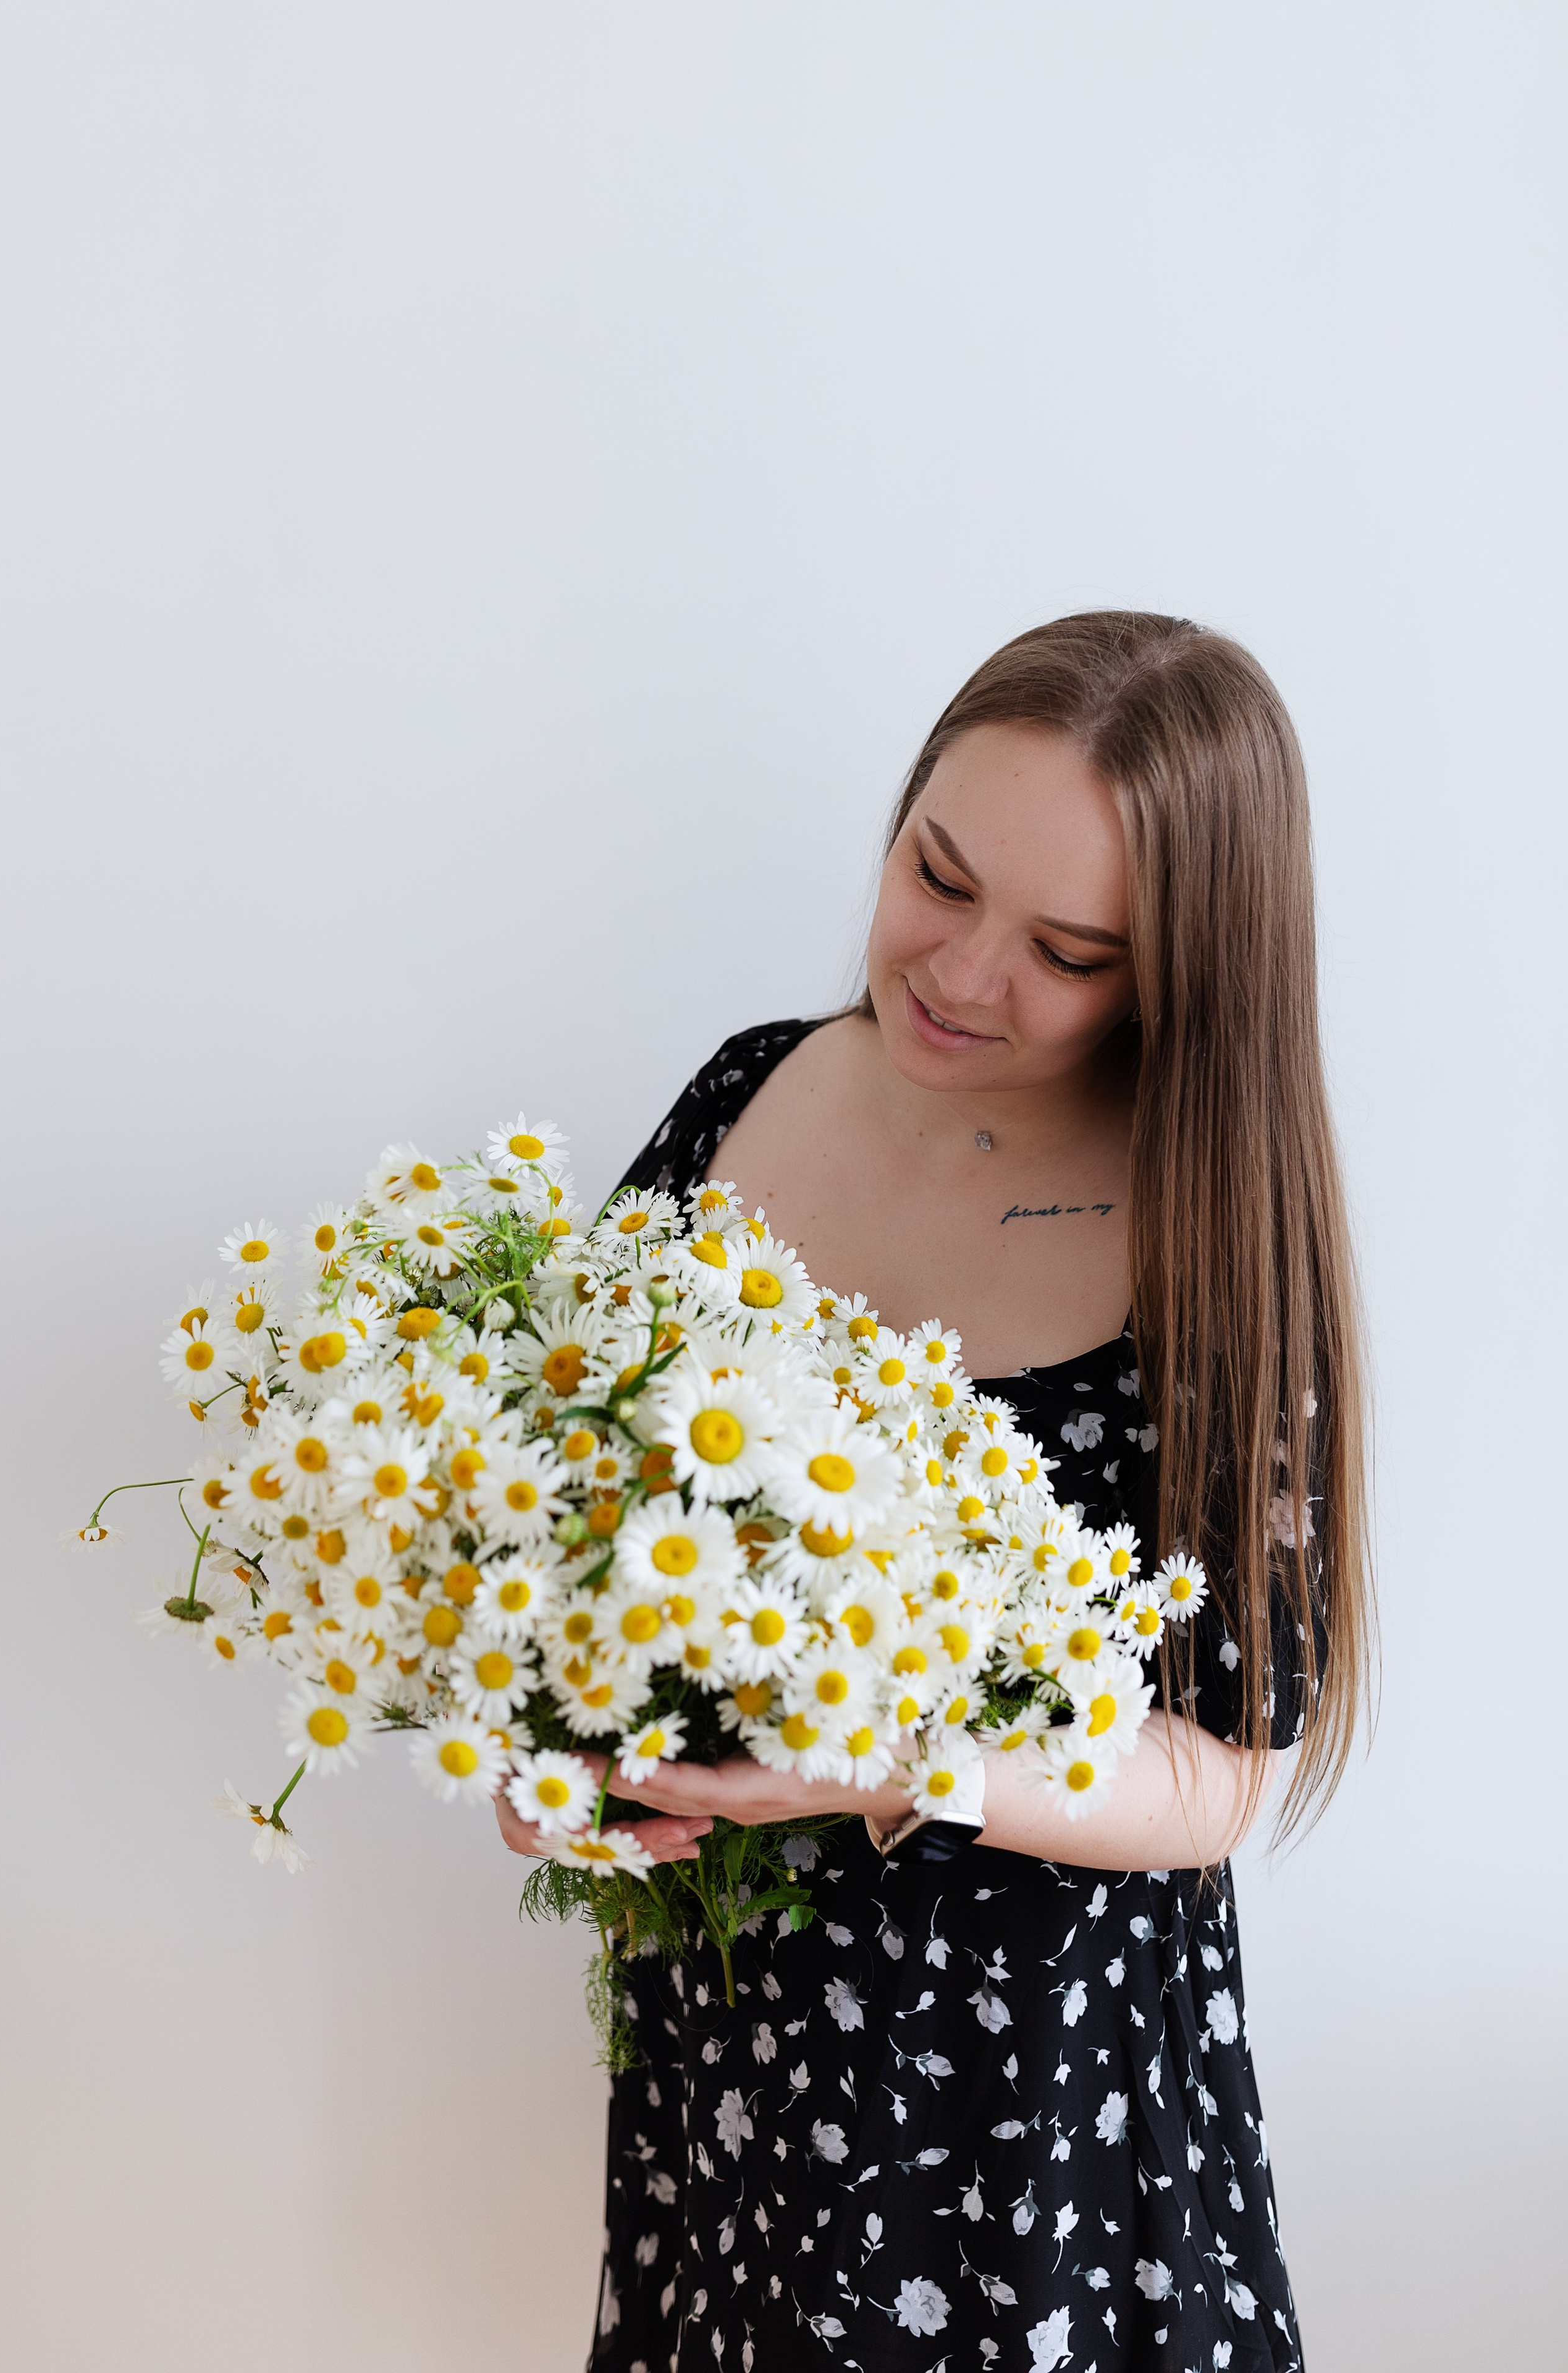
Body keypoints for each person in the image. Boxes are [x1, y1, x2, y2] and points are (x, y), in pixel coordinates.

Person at [496, 611, 1371, 2372]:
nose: (963, 976)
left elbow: (1221, 1772)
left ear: (1183, 971)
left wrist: (903, 1767)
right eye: (938, 875)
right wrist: (560, 1756)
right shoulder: (746, 1093)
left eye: (1066, 949)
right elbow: (583, 1521)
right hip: (726, 2059)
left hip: (1026, 2112)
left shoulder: (1215, 1245)